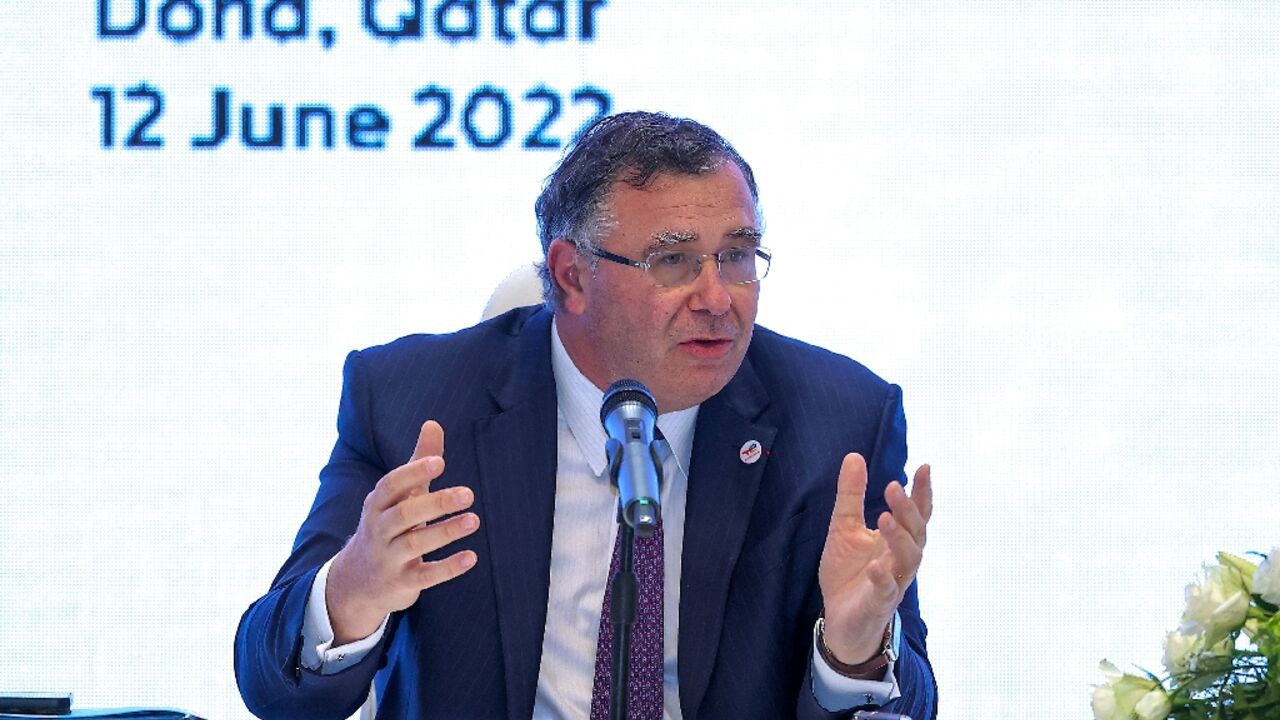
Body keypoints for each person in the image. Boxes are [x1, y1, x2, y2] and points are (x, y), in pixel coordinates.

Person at [235, 111, 937, 720]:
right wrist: (353, 592)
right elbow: (273, 688)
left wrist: (854, 655)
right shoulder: (413, 403)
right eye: (674, 261)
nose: (719, 297)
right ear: (572, 275)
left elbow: (910, 705)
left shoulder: (839, 422)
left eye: (737, 256)